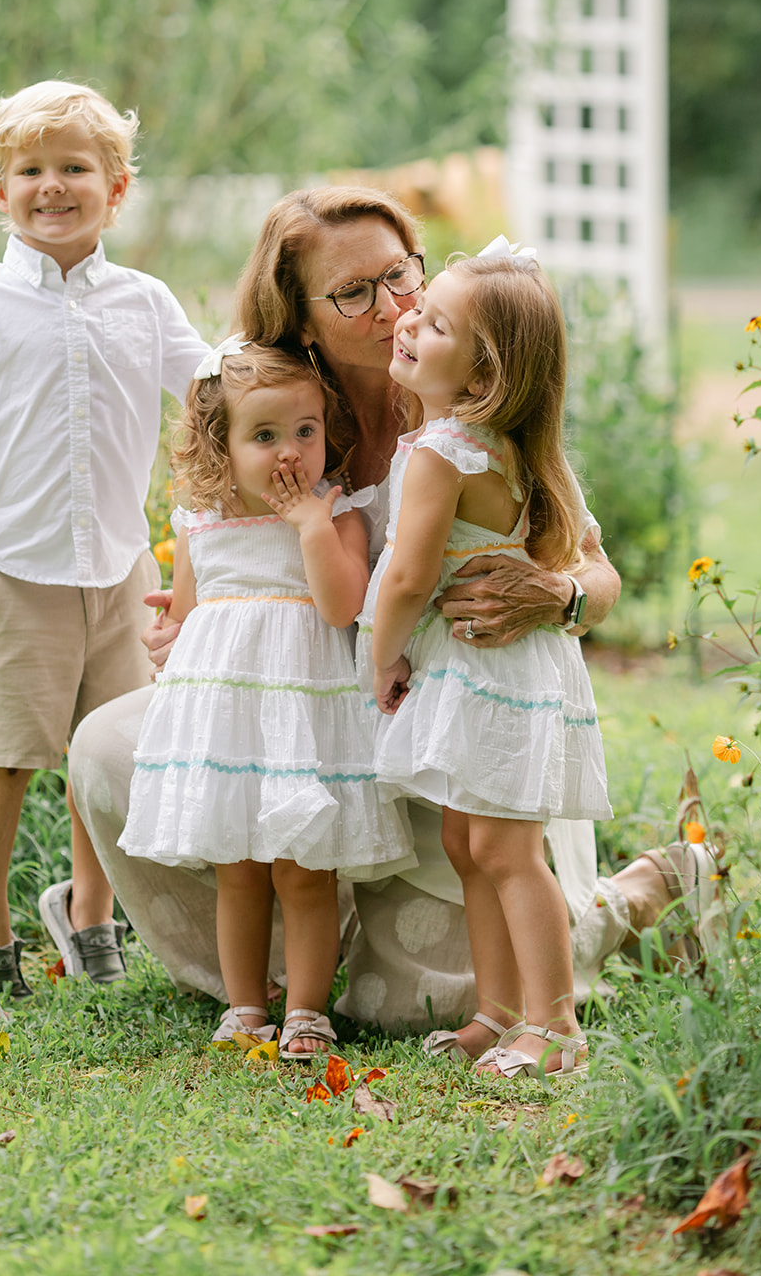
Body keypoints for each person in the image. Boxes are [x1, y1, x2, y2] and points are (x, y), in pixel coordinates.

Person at [67, 186, 712, 1028]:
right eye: (352, 293)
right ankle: (274, 971)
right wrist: (189, 619)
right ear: (298, 318)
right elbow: (207, 535)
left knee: (412, 1009)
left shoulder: (467, 392)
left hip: (441, 732)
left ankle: (622, 904)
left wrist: (557, 596)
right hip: (295, 713)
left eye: (401, 276)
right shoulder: (266, 401)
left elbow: (594, 570)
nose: (394, 308)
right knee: (106, 746)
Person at [0, 79, 207, 1005]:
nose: (51, 186)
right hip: (16, 566)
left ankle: (90, 910)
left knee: (107, 752)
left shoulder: (145, 303)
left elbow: (211, 392)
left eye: (75, 168)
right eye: (29, 170)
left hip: (120, 568)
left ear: (117, 188)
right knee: (9, 751)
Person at [116, 342, 414, 1057]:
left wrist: (311, 526)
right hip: (227, 724)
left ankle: (308, 1009)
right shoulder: (201, 524)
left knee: (304, 873)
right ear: (221, 446)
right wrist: (171, 631)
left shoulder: (337, 513)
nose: (290, 454)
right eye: (264, 436)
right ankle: (246, 1005)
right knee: (238, 874)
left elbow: (342, 608)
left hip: (302, 723)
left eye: (305, 431)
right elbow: (186, 616)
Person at [360, 241, 611, 1079]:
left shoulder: (442, 452)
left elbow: (405, 574)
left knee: (507, 853)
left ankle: (555, 1023)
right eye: (417, 308)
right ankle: (497, 1011)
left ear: (479, 376)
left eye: (432, 324)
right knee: (470, 847)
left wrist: (380, 656)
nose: (404, 322)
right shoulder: (504, 445)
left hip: (489, 676)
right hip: (497, 673)